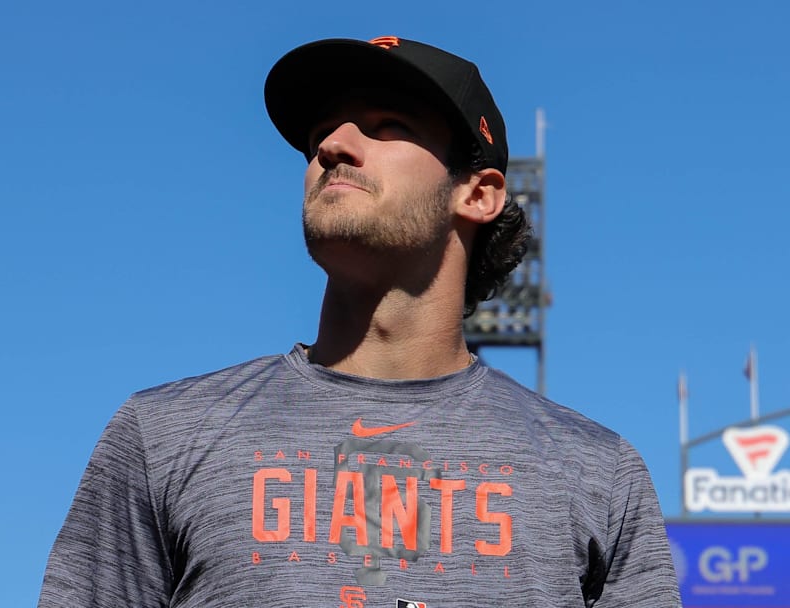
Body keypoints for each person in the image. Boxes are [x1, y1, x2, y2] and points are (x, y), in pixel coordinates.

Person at [38, 36, 681, 607]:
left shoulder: (597, 471)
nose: (332, 146)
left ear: (478, 193)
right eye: (324, 129)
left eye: (387, 123)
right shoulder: (162, 436)